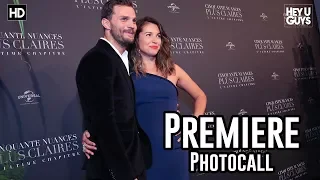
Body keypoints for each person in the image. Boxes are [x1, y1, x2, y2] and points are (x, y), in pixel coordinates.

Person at [82, 16, 207, 179]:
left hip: (175, 148)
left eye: (158, 35)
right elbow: (103, 106)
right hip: (142, 151)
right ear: (136, 38)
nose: (155, 40)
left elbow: (200, 95)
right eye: (148, 35)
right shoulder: (125, 71)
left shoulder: (172, 70)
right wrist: (90, 130)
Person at [75, 0, 152, 179]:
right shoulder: (97, 59)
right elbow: (105, 123)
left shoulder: (122, 58)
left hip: (132, 162)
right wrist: (124, 174)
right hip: (114, 170)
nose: (131, 25)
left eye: (133, 20)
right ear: (106, 23)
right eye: (124, 19)